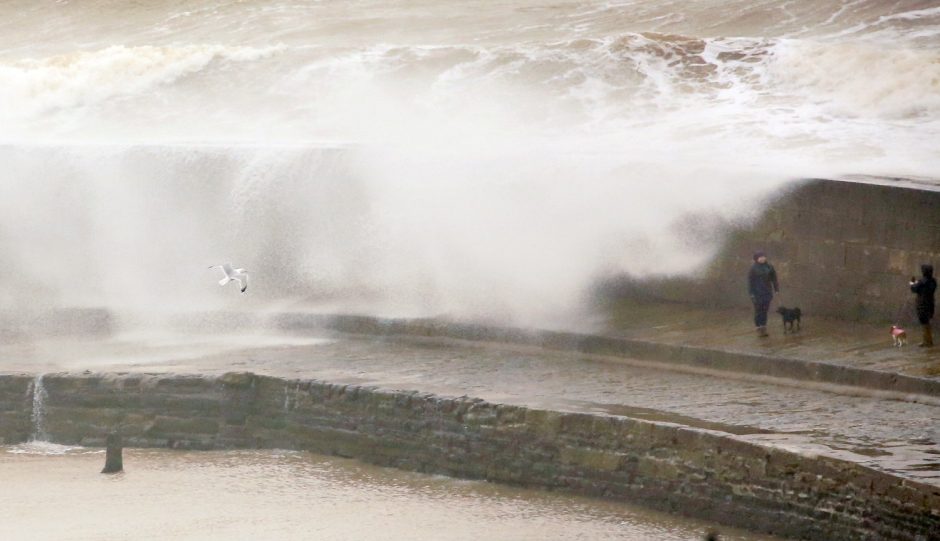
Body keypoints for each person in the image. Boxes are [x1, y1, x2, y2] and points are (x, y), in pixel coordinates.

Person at [748, 251, 779, 338]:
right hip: (757, 293)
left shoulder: (769, 267)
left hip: (767, 292)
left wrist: (776, 289)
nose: (762, 258)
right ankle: (758, 327)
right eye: (760, 257)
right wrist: (751, 294)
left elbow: (774, 278)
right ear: (756, 259)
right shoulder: (753, 269)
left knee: (765, 310)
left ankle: (763, 326)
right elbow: (750, 282)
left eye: (763, 256)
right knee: (758, 310)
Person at [910, 264, 936, 347]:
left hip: (922, 304)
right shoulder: (933, 281)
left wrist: (912, 282)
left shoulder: (922, 282)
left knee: (924, 323)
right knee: (927, 322)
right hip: (930, 303)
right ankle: (928, 340)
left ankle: (927, 342)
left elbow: (914, 289)